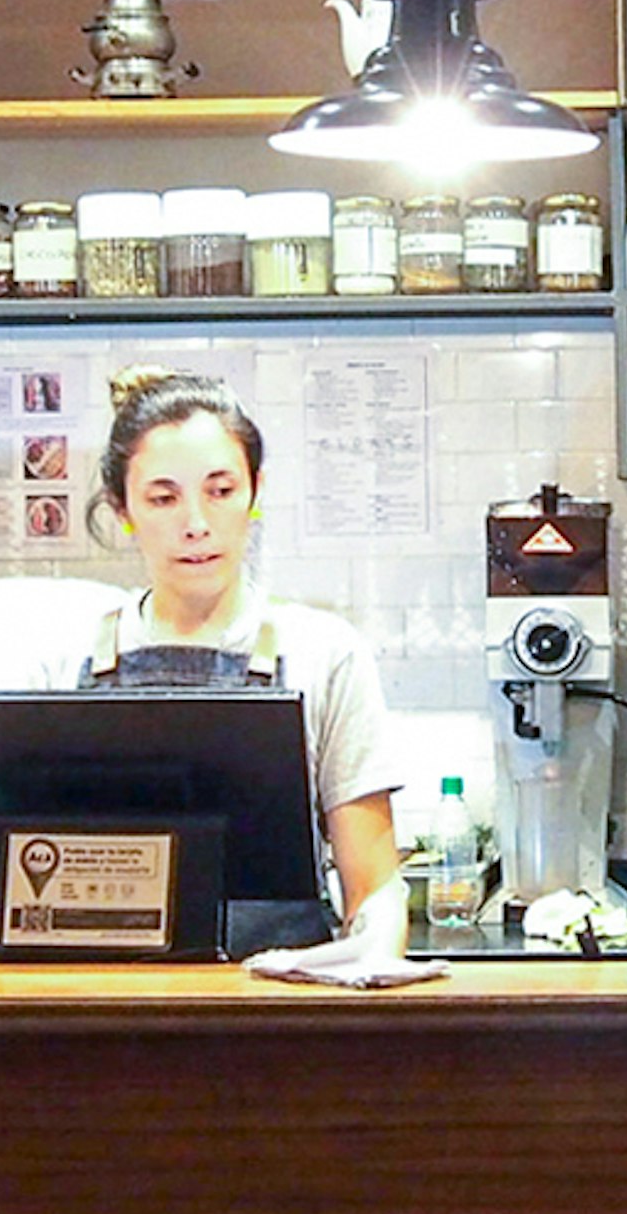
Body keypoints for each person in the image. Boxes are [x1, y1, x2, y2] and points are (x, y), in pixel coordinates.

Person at [35, 368, 404, 944]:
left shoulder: (325, 654)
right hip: (106, 1011)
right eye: (163, 498)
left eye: (221, 490)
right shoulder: (61, 664)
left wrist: (371, 967)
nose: (196, 525)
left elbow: (375, 887)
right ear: (121, 506)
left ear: (254, 491)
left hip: (280, 1011)